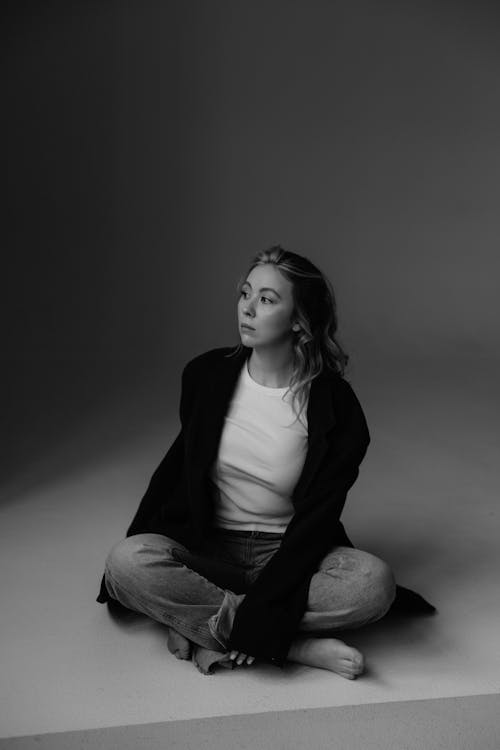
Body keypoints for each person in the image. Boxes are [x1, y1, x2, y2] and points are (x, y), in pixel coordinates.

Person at [97, 246, 432, 678]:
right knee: (127, 562)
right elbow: (177, 473)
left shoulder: (336, 405)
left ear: (299, 321)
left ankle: (206, 626)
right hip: (209, 546)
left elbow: (320, 515)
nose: (248, 308)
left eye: (268, 300)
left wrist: (187, 605)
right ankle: (291, 646)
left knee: (372, 584)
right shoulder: (205, 375)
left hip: (289, 552)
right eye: (245, 294)